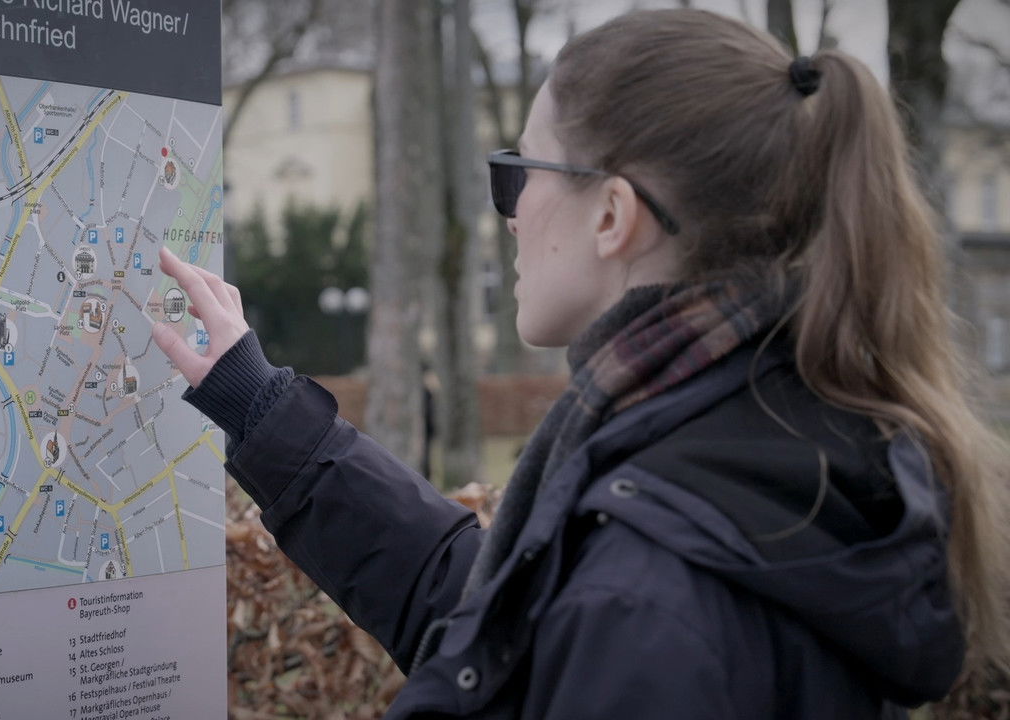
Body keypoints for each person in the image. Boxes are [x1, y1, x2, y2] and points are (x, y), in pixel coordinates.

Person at [152, 9, 1010, 718]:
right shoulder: (764, 426)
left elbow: (578, 622)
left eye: (517, 173)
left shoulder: (648, 597)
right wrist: (262, 409)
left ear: (612, 216)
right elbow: (497, 629)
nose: (510, 215)